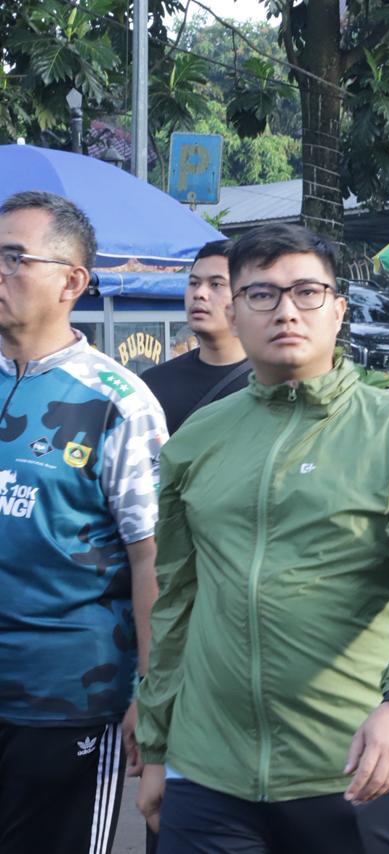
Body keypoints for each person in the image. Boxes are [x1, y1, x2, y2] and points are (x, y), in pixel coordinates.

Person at [133, 223, 389, 853]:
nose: (287, 311)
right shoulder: (197, 440)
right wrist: (158, 746)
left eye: (307, 292)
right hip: (208, 770)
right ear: (235, 312)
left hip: (351, 763)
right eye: (262, 294)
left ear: (339, 309)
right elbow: (177, 601)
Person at [0, 190, 167, 854]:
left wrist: (151, 693)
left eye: (14, 258)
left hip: (67, 697)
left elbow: (153, 557)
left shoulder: (118, 402)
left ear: (72, 281)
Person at [141, 240, 249, 434]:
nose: (199, 293)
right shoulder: (153, 384)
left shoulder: (274, 386)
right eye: (194, 283)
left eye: (216, 284)